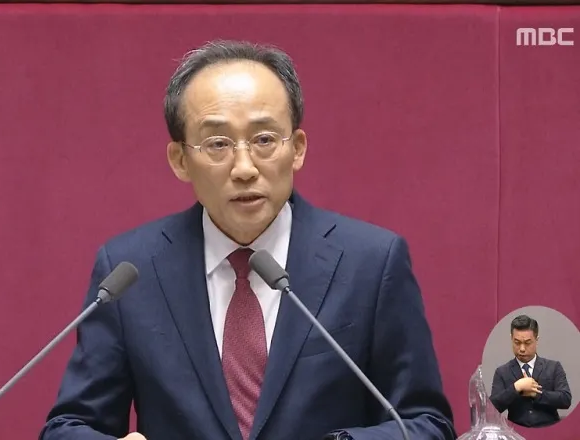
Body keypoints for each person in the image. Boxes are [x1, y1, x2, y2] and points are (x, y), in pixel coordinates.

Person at [39, 40, 455, 440]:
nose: (244, 168)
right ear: (180, 160)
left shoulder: (371, 263)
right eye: (218, 144)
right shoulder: (131, 271)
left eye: (264, 140)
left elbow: (426, 424)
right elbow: (69, 426)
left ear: (297, 149)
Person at [490, 314, 572, 428]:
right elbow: (493, 407)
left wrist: (536, 393)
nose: (522, 349)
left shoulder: (553, 367)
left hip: (549, 431)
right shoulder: (502, 372)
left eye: (527, 343)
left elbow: (565, 399)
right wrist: (516, 388)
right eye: (517, 342)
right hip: (516, 432)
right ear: (511, 338)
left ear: (536, 340)